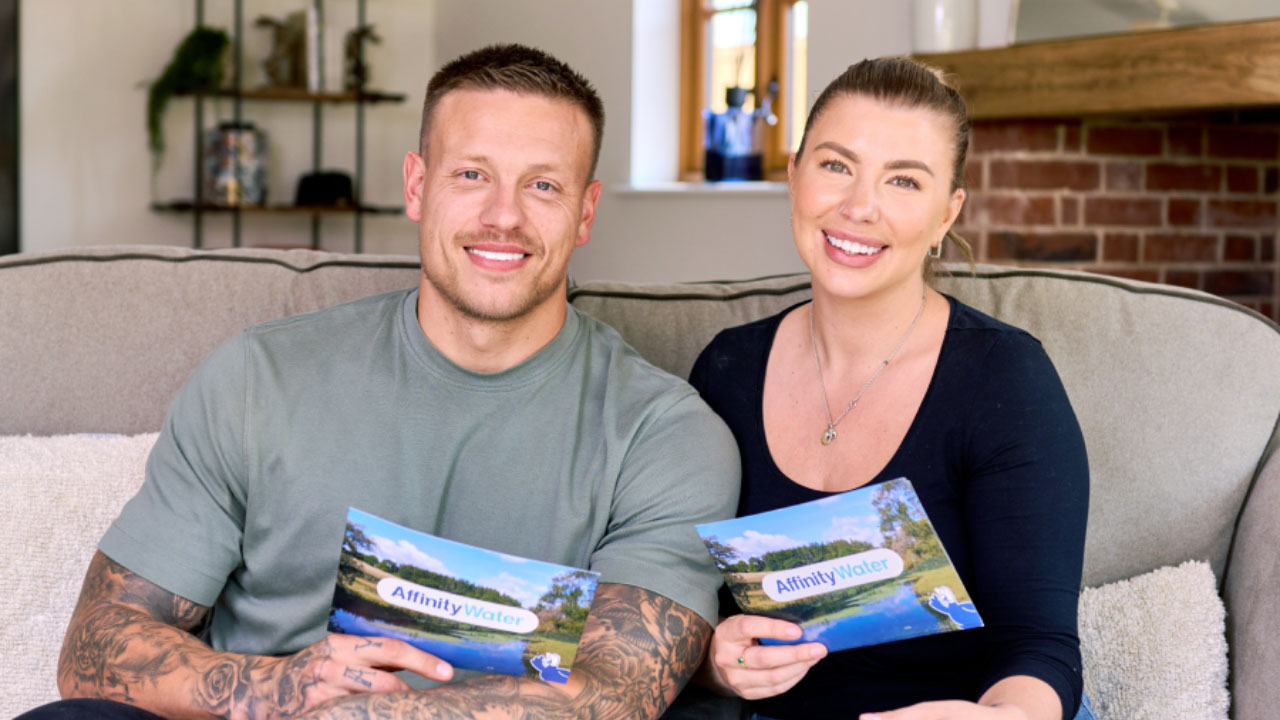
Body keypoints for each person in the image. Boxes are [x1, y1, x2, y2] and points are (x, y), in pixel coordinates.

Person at [34, 44, 740, 720]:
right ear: (416, 184)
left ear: (584, 212)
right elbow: (99, 642)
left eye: (543, 184)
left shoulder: (665, 434)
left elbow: (615, 694)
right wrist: (281, 685)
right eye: (471, 175)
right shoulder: (261, 377)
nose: (504, 215)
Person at [686, 57, 1091, 720]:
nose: (859, 206)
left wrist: (1005, 718)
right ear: (794, 177)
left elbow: (1041, 648)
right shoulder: (726, 371)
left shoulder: (1006, 379)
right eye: (836, 166)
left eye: (904, 181)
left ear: (945, 215)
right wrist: (715, 665)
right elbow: (691, 614)